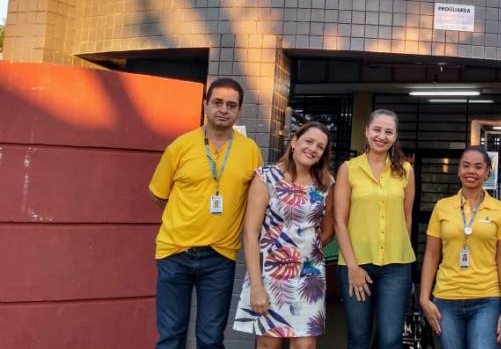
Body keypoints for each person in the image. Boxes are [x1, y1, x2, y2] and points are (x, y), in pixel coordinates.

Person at [149, 77, 264, 349]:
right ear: (205, 105)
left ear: (239, 111)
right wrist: (187, 219)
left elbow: (257, 201)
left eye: (231, 105)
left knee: (211, 339)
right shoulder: (181, 146)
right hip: (174, 253)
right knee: (170, 337)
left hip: (220, 256)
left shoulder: (250, 152)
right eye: (218, 102)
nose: (224, 109)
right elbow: (158, 194)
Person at [232, 121, 336, 348]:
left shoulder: (326, 184)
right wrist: (257, 286)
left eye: (320, 146)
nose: (313, 148)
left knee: (305, 345)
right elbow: (251, 233)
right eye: (309, 141)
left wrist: (305, 252)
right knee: (269, 344)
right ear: (295, 142)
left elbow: (328, 231)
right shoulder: (266, 176)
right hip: (269, 274)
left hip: (309, 275)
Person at [334, 108, 416, 349]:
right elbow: (340, 220)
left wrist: (402, 252)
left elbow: (407, 218)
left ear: (395, 136)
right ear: (366, 131)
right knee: (358, 338)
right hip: (356, 264)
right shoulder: (348, 169)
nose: (382, 136)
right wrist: (352, 266)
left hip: (396, 267)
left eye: (388, 131)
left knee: (390, 339)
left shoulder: (406, 171)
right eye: (377, 129)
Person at [419, 146, 501, 349]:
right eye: (466, 165)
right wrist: (424, 299)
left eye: (478, 167)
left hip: (487, 298)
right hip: (446, 297)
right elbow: (432, 255)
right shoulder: (442, 207)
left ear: (488, 171)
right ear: (458, 170)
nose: (471, 171)